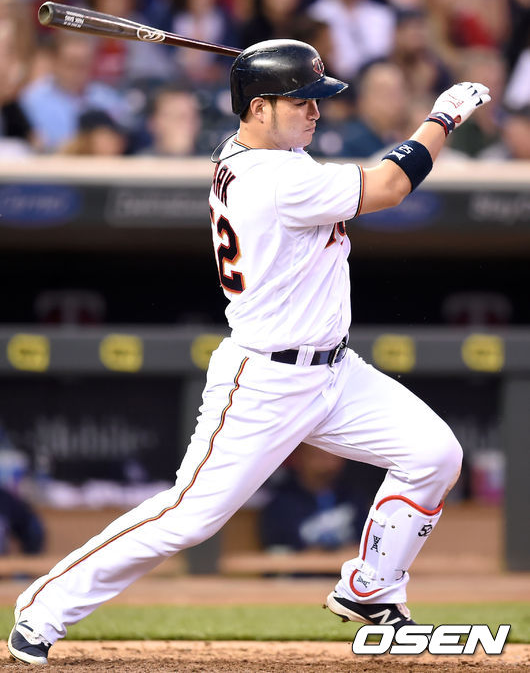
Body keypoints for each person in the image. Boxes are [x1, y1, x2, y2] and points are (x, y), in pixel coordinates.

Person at [7, 38, 490, 665]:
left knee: (433, 454)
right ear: (259, 108)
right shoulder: (276, 178)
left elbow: (292, 134)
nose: (316, 111)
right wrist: (441, 117)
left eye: (316, 99)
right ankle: (43, 608)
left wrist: (284, 74)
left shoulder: (254, 150)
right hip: (265, 380)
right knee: (187, 517)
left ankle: (372, 589)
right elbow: (391, 184)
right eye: (301, 101)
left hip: (336, 372)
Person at [260, 443, 367, 552]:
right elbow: (276, 550)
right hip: (302, 562)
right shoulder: (282, 503)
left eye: (335, 457)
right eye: (320, 456)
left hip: (349, 562)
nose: (330, 464)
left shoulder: (354, 495)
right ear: (298, 459)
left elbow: (367, 541)